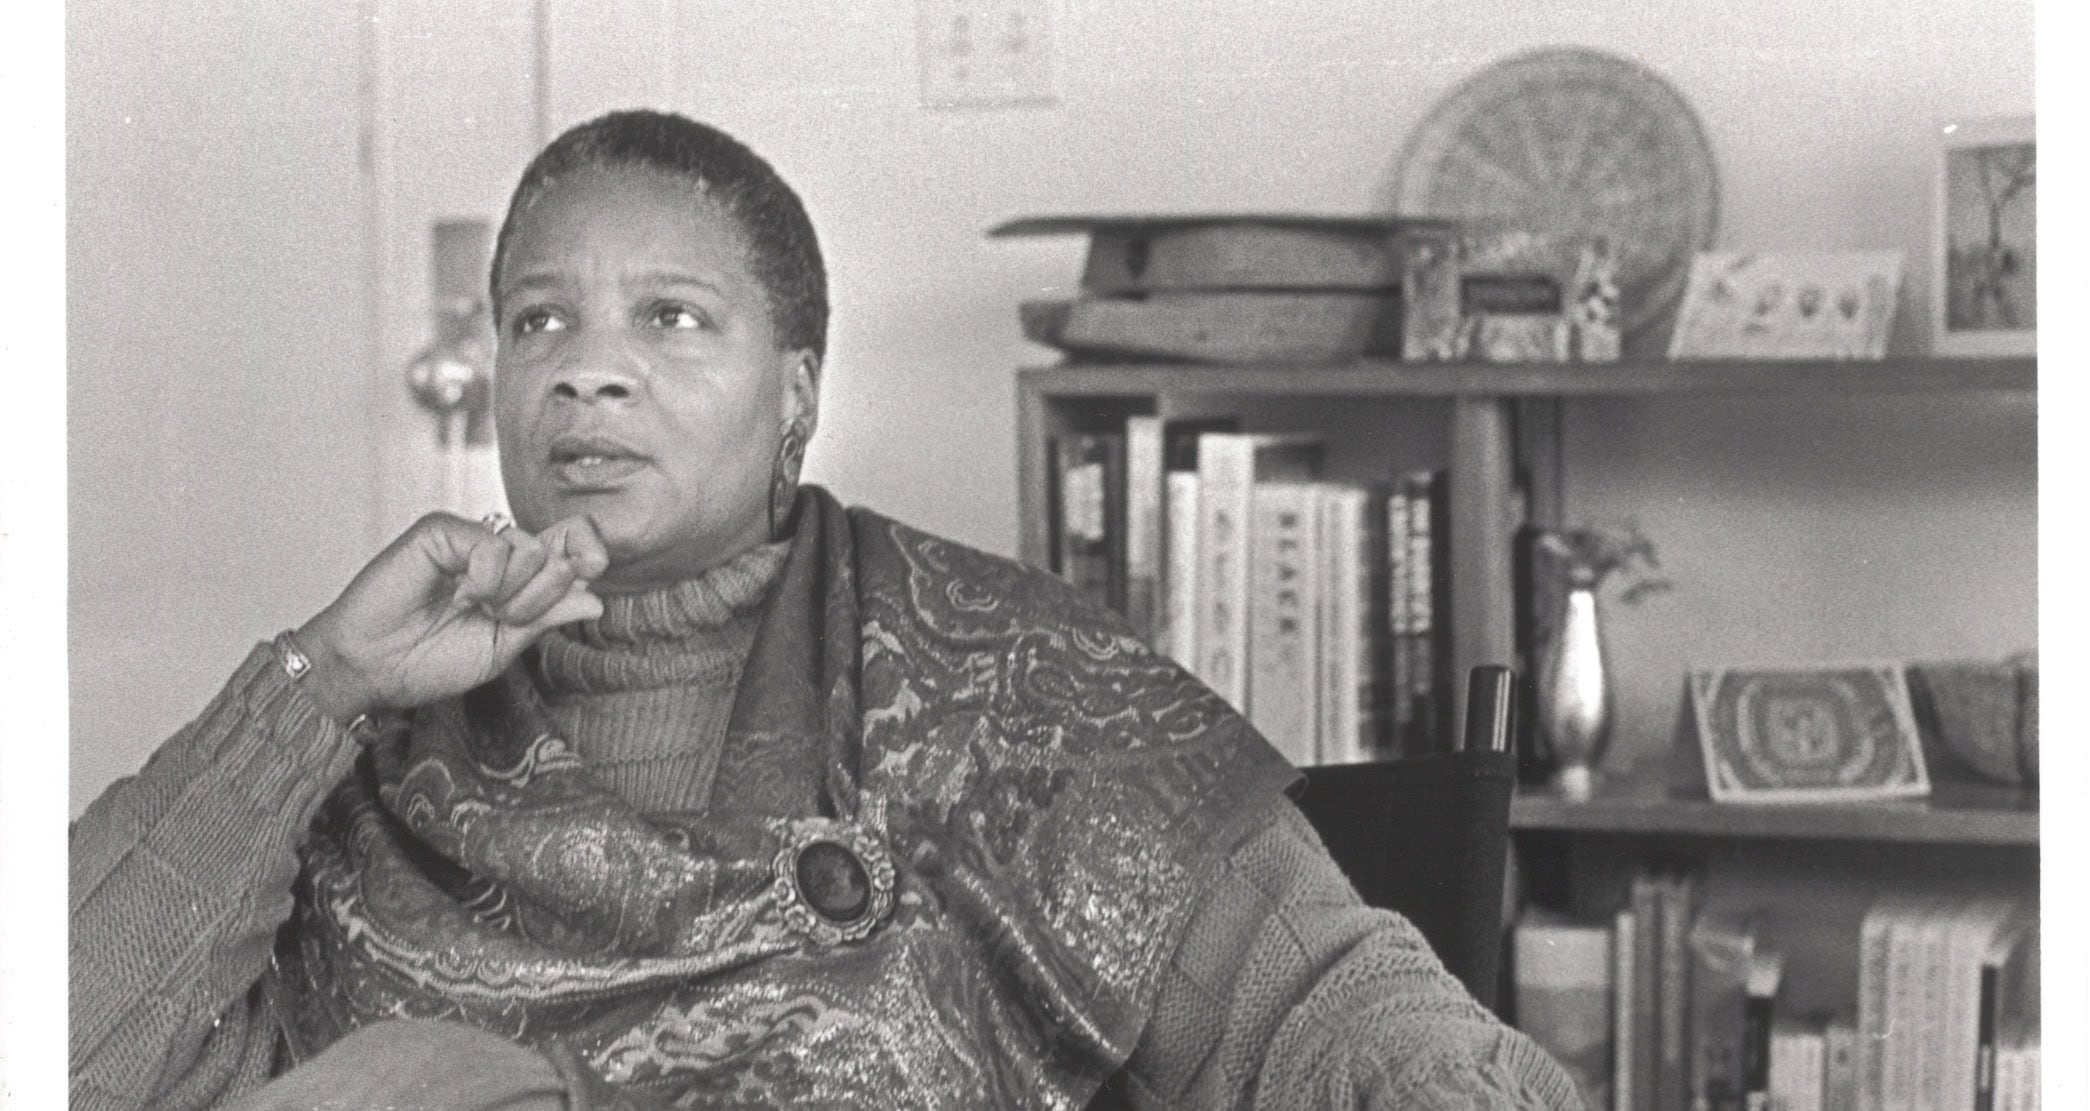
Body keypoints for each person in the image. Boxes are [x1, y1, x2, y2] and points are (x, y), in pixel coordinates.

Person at [69, 110, 1581, 1111]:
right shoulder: (366, 747)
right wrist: (316, 685)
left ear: (794, 390)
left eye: (672, 317)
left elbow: (1330, 1012)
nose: (586, 370)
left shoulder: (1006, 685)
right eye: (540, 320)